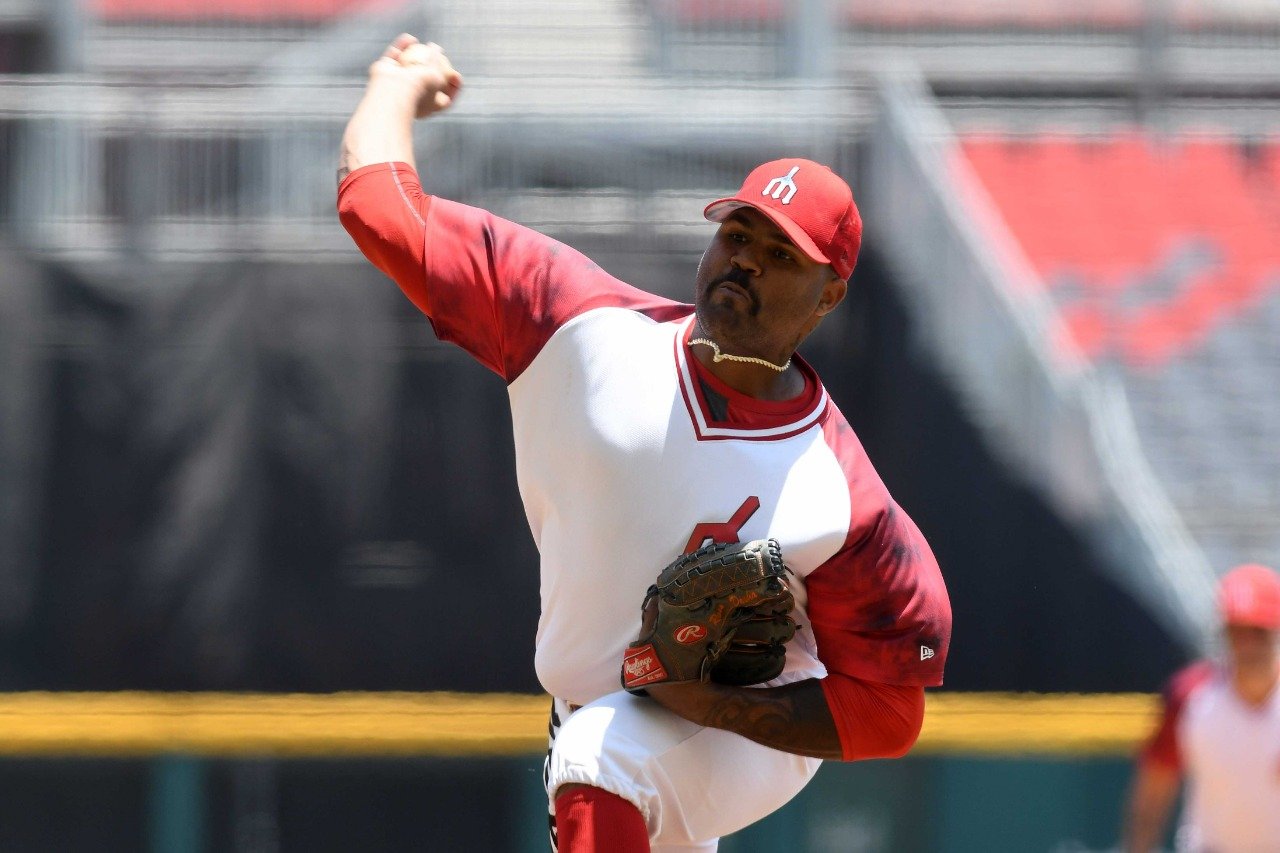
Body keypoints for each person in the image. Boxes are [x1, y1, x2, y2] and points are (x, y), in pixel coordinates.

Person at [337, 35, 952, 853]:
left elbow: (890, 712)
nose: (747, 263)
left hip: (744, 725)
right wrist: (393, 86)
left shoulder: (839, 494)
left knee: (602, 759)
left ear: (828, 295)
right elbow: (378, 210)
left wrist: (718, 703)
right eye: (739, 235)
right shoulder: (577, 327)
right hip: (593, 719)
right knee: (599, 751)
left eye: (781, 256)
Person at [1123, 563, 1280, 853]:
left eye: (1257, 631)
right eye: (1236, 631)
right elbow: (1153, 792)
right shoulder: (1190, 697)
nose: (1247, 644)